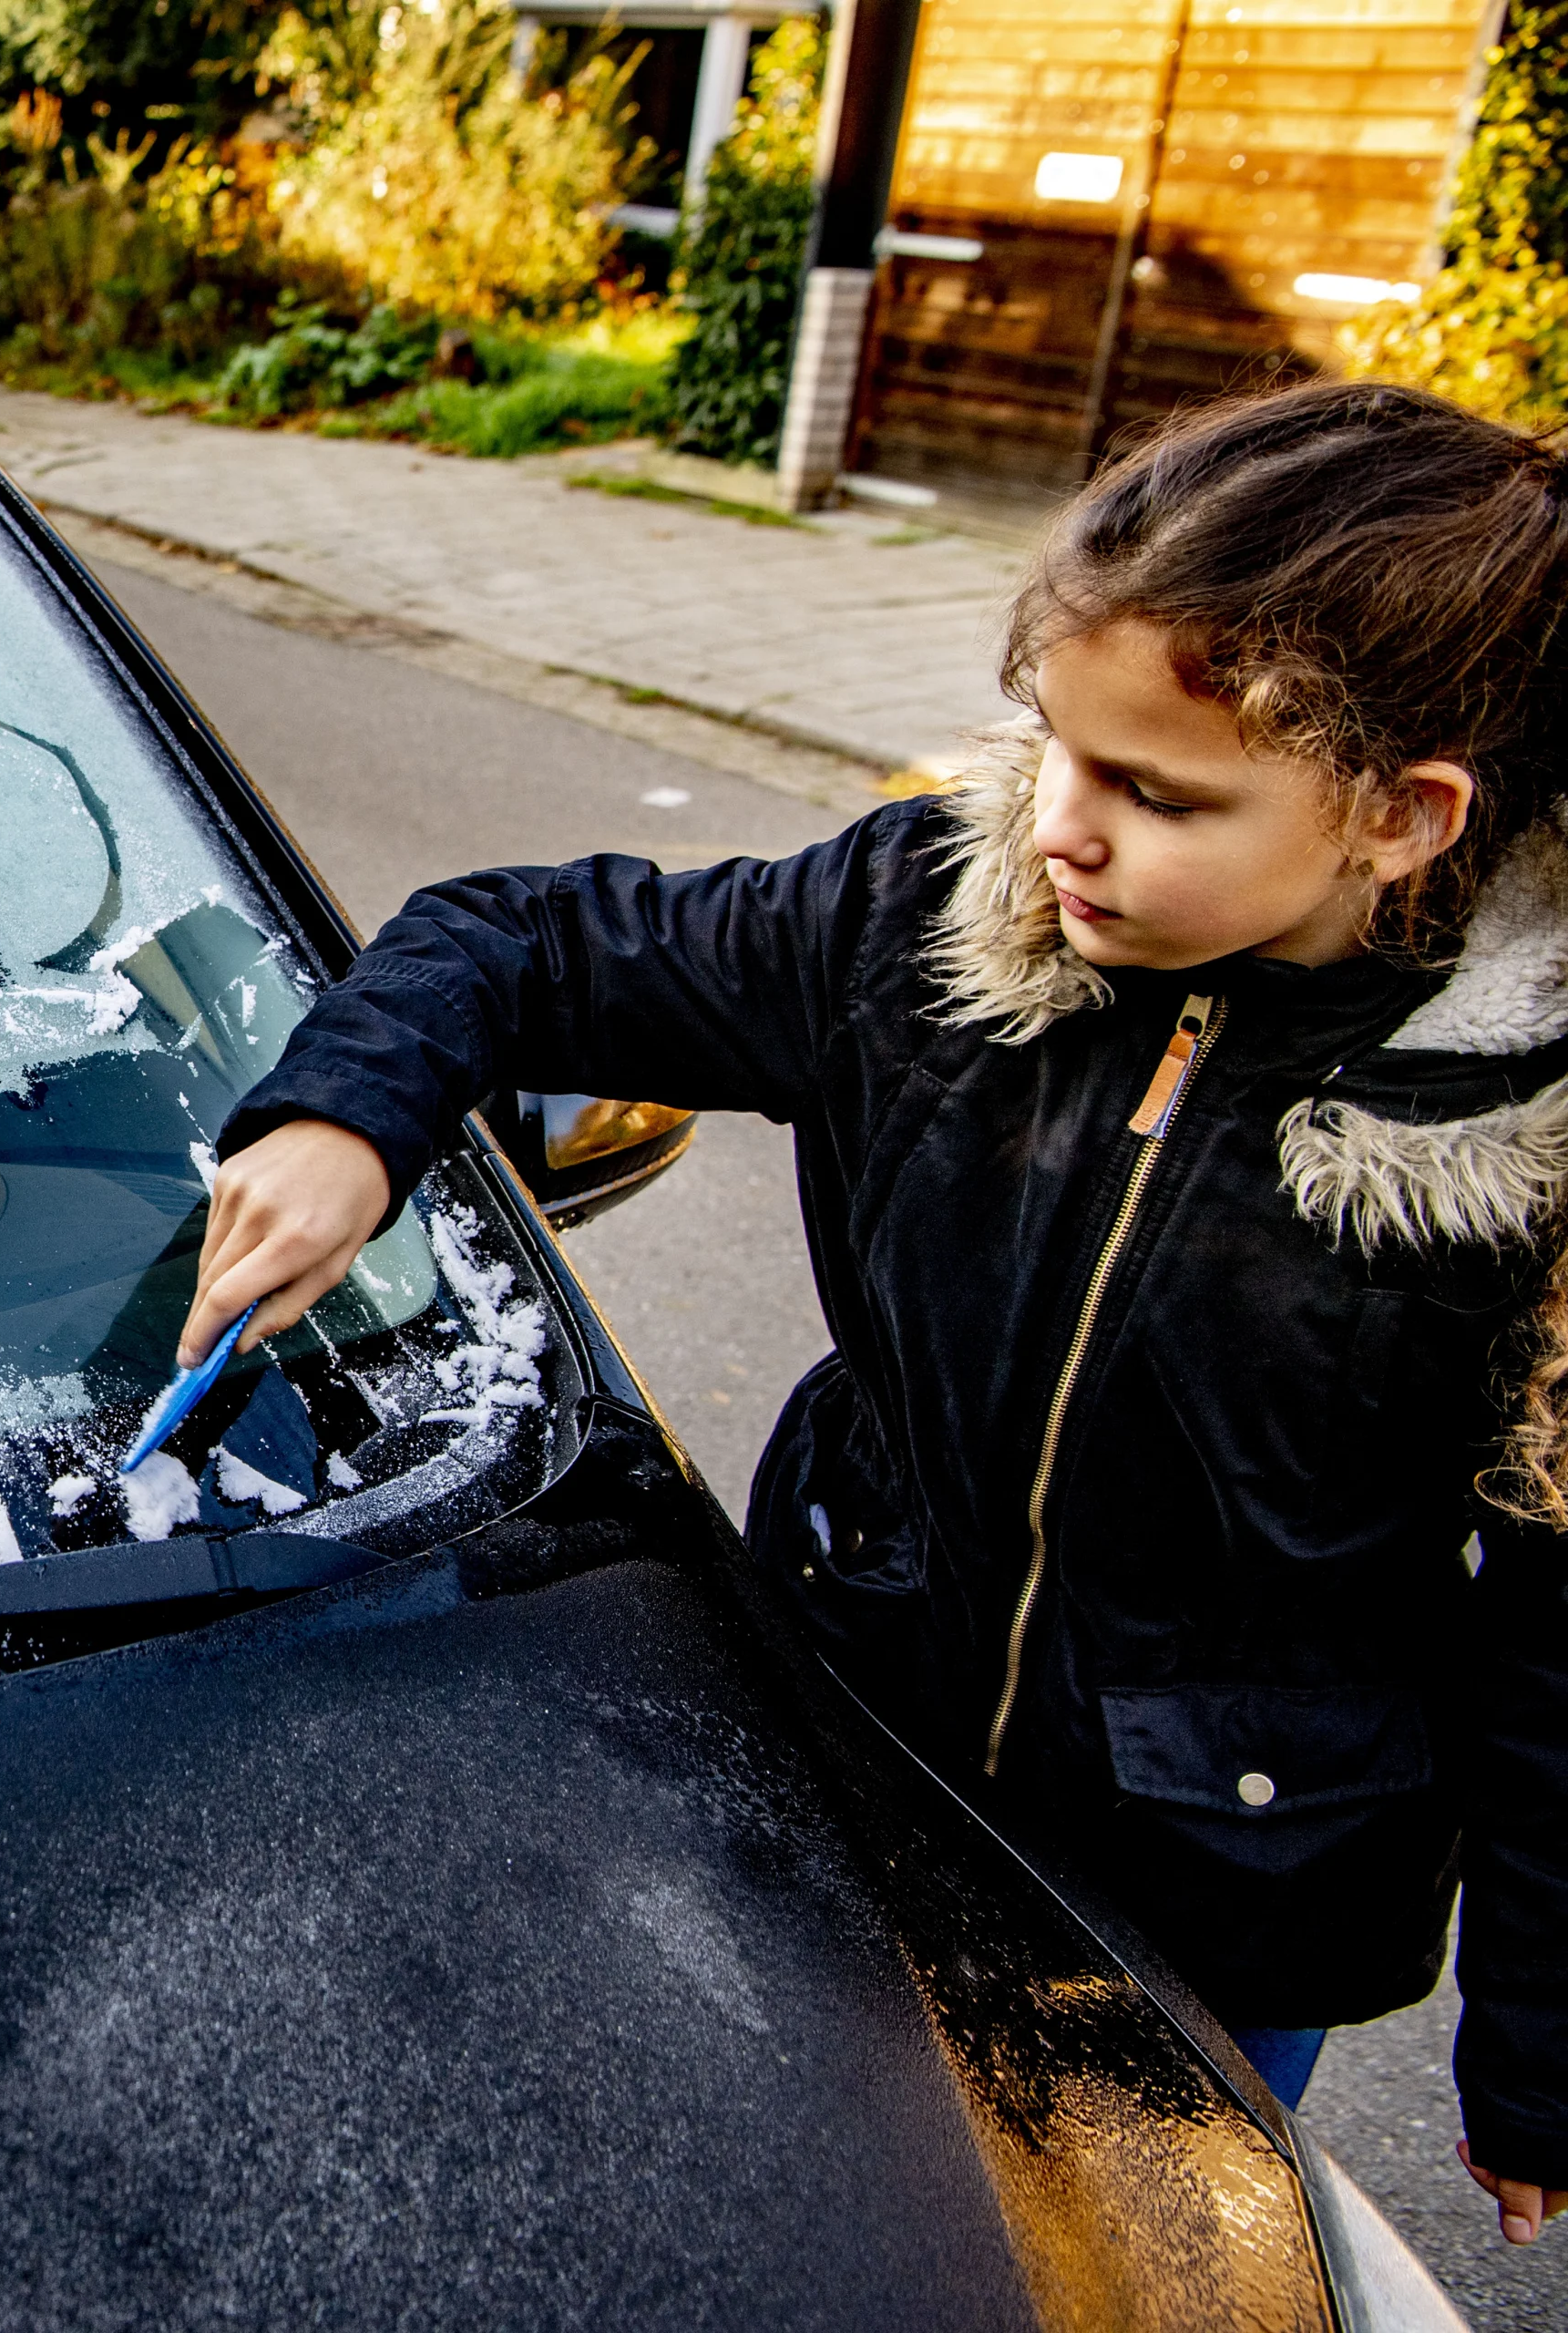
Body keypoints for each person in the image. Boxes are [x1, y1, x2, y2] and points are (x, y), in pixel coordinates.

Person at [180, 378, 1568, 2246]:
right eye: (1050, 742)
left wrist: (1541, 2054)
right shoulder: (923, 918)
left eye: (1155, 791)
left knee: (1120, 2256)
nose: (1057, 827)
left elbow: (1557, 1648)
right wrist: (350, 1112)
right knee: (838, 2218)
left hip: (1215, 1896)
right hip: (850, 1754)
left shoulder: (1522, 1151)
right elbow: (516, 943)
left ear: (1405, 815)